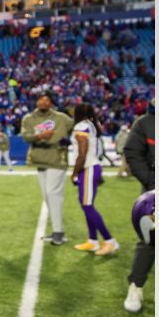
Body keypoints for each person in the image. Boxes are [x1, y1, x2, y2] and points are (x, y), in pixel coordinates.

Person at [20, 91, 74, 245]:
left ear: (51, 103)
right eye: (41, 100)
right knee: (47, 196)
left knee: (53, 194)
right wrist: (40, 136)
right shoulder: (29, 119)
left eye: (47, 100)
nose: (43, 102)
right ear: (37, 102)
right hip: (39, 160)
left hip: (57, 160)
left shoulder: (61, 117)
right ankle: (58, 230)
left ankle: (58, 232)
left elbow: (77, 126)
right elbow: (25, 136)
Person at [70, 104, 118, 255]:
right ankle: (93, 241)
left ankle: (110, 241)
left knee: (88, 206)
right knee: (86, 205)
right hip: (92, 167)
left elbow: (82, 153)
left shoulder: (82, 125)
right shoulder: (92, 124)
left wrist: (74, 173)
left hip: (88, 168)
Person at [123, 109, 155, 311]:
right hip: (157, 189)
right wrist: (152, 181)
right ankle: (136, 286)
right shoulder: (145, 122)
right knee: (150, 238)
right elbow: (133, 152)